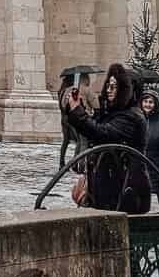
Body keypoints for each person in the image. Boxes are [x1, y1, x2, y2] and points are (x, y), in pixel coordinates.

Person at [64, 61, 151, 214]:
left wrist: (78, 111)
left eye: (114, 86)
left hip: (125, 187)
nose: (109, 90)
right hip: (110, 185)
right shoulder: (113, 113)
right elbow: (92, 130)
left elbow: (103, 133)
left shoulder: (131, 116)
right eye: (108, 86)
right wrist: (77, 109)